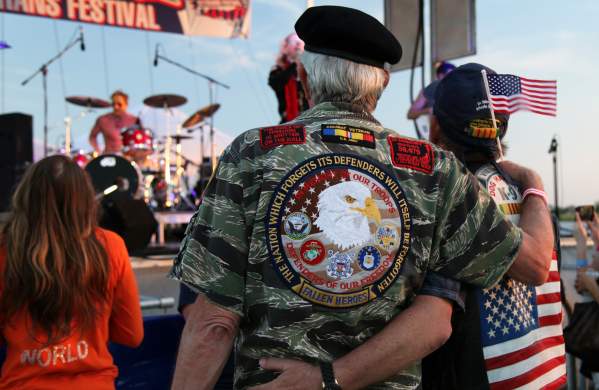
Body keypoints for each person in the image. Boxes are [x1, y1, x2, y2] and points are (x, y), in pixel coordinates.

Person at [169, 7, 553, 389]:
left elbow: (213, 323)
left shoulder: (252, 154)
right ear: (383, 84)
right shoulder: (434, 169)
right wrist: (533, 184)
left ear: (302, 75)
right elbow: (529, 267)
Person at [422, 63, 564, 390]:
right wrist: (533, 183)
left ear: (435, 128)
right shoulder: (535, 203)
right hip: (543, 377)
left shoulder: (444, 201)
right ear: (501, 129)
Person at [0, 155, 143, 389]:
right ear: (85, 199)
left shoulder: (6, 250)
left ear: (26, 197)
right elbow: (132, 334)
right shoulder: (111, 245)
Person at [406, 61, 455, 139]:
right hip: (434, 138)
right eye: (447, 75)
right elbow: (410, 114)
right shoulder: (428, 91)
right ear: (439, 75)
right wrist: (428, 110)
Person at [268, 33, 309, 123]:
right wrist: (294, 64)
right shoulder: (278, 69)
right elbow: (276, 84)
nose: (298, 44)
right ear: (285, 47)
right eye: (294, 42)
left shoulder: (310, 68)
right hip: (288, 122)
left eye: (300, 41)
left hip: (310, 121)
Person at [89, 90, 139, 155]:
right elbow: (92, 137)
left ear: (126, 104)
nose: (116, 107)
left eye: (119, 104)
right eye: (113, 104)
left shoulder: (134, 120)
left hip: (129, 158)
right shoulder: (103, 119)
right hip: (109, 156)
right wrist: (98, 150)